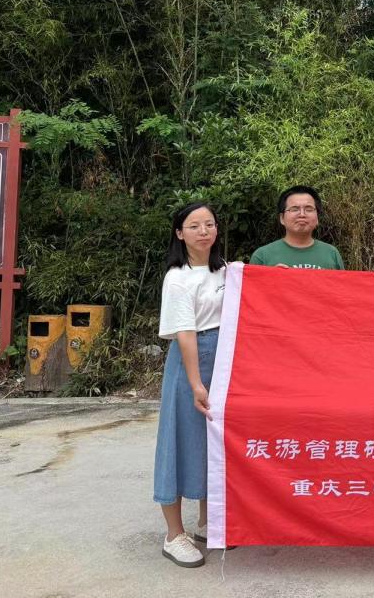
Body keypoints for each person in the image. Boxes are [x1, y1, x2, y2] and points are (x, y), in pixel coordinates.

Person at [153, 202, 227, 568]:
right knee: (180, 440)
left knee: (212, 439)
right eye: (194, 226)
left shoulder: (225, 270)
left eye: (209, 224)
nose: (203, 231)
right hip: (190, 362)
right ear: (180, 234)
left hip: (224, 360)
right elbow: (185, 333)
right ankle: (173, 535)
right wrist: (196, 383)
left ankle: (206, 521)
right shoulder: (177, 277)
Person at [249, 185, 345, 269]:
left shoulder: (331, 254)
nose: (302, 214)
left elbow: (342, 284)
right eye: (294, 209)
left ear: (317, 218)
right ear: (282, 218)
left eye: (309, 209)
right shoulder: (262, 256)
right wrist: (271, 278)